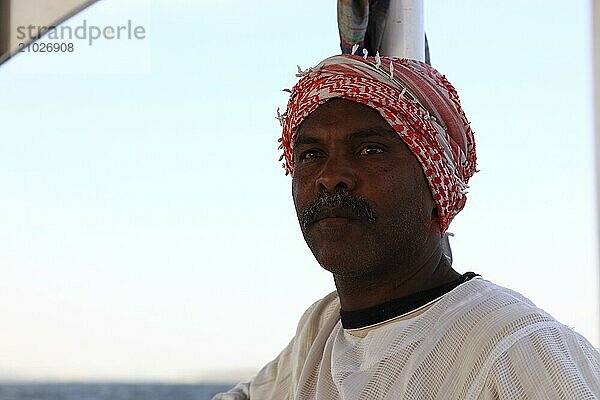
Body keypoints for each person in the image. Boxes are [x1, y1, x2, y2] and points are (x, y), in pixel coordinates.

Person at [213, 54, 600, 399]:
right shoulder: (322, 330)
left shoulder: (514, 347)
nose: (331, 177)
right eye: (312, 154)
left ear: (436, 182)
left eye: (370, 150)